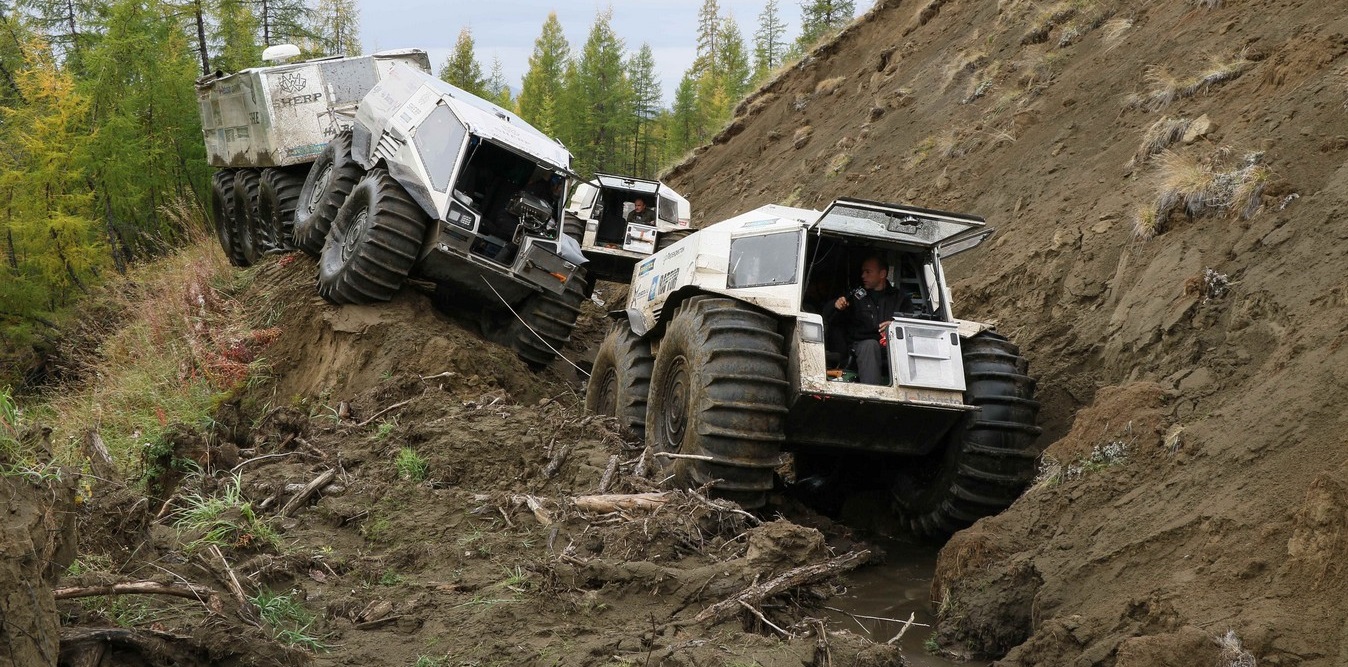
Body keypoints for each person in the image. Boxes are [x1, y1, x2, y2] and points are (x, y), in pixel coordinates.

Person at [822, 256, 912, 385]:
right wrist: (836, 306)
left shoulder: (900, 298)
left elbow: (911, 322)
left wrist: (894, 325)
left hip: (892, 346)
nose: (863, 276)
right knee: (870, 345)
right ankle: (873, 395)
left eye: (868, 272)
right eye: (863, 272)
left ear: (882, 274)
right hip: (860, 345)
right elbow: (830, 316)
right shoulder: (856, 296)